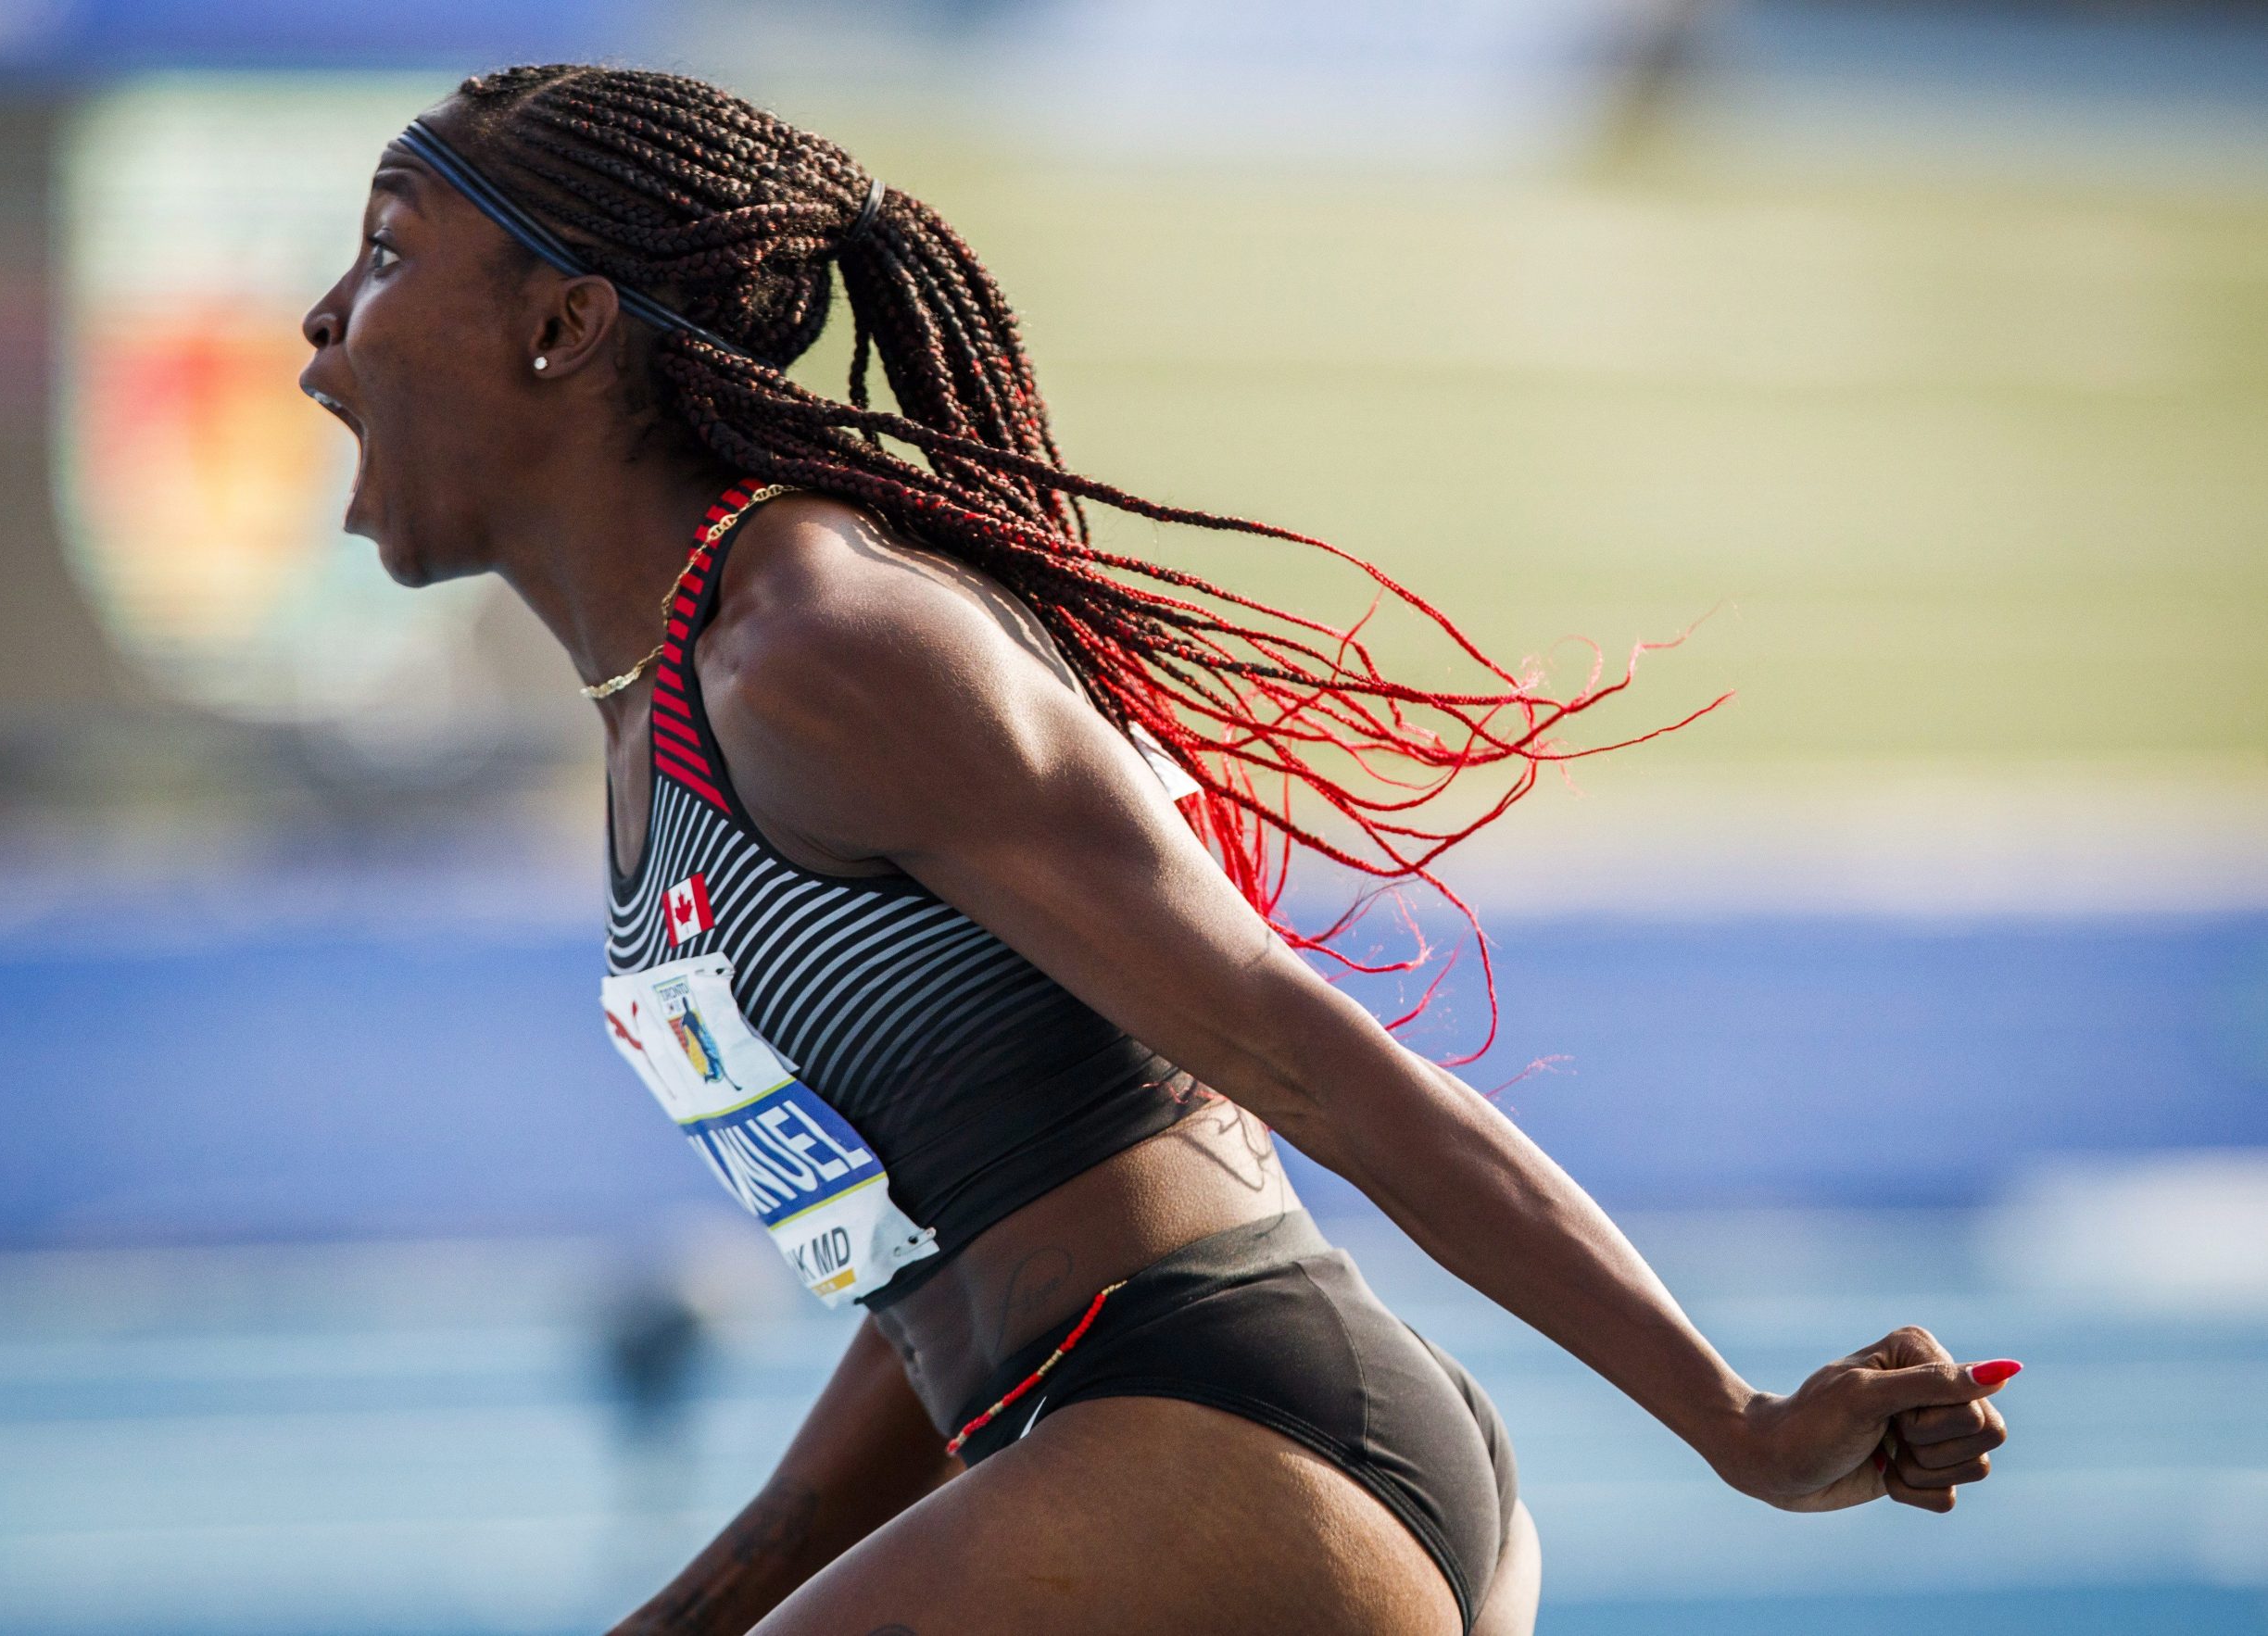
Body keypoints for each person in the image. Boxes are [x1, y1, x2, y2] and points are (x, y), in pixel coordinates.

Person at [299, 64, 2017, 1636]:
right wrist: (704, 1601)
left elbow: (1312, 1065)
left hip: (1240, 1440)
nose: (319, 327)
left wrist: (1738, 1424)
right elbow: (947, 1261)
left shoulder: (816, 648)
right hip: (1158, 1458)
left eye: (383, 254)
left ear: (562, 326)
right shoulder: (670, 699)